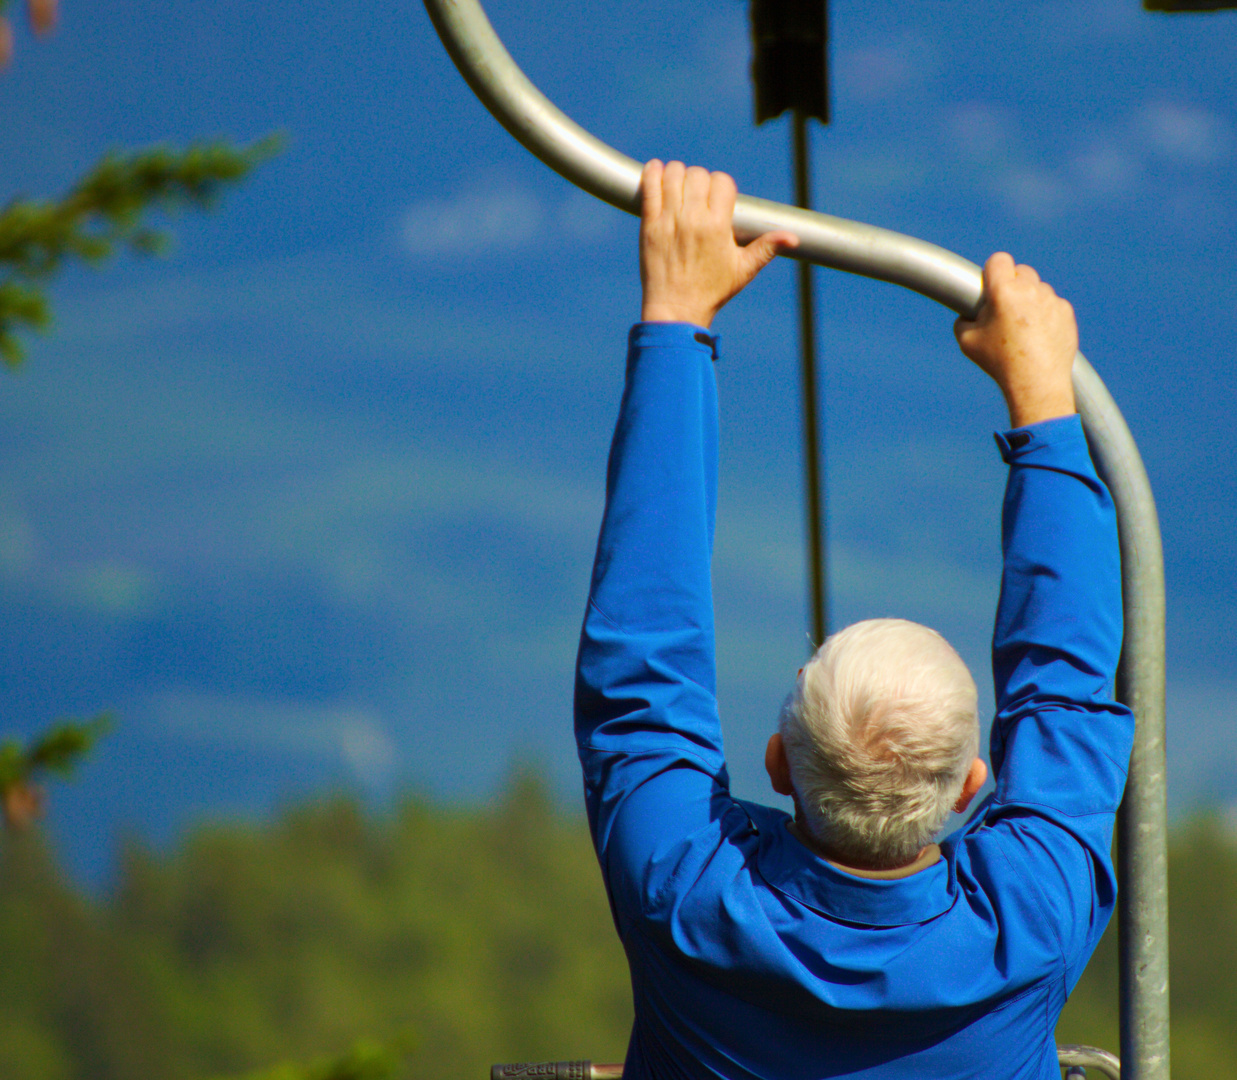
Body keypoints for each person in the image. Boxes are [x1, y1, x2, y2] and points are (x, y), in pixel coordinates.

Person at [574, 159, 1134, 1079]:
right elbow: (1066, 688)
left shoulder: (680, 890)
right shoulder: (1023, 926)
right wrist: (1044, 398)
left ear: (778, 761)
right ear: (970, 788)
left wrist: (674, 320)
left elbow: (641, 662)